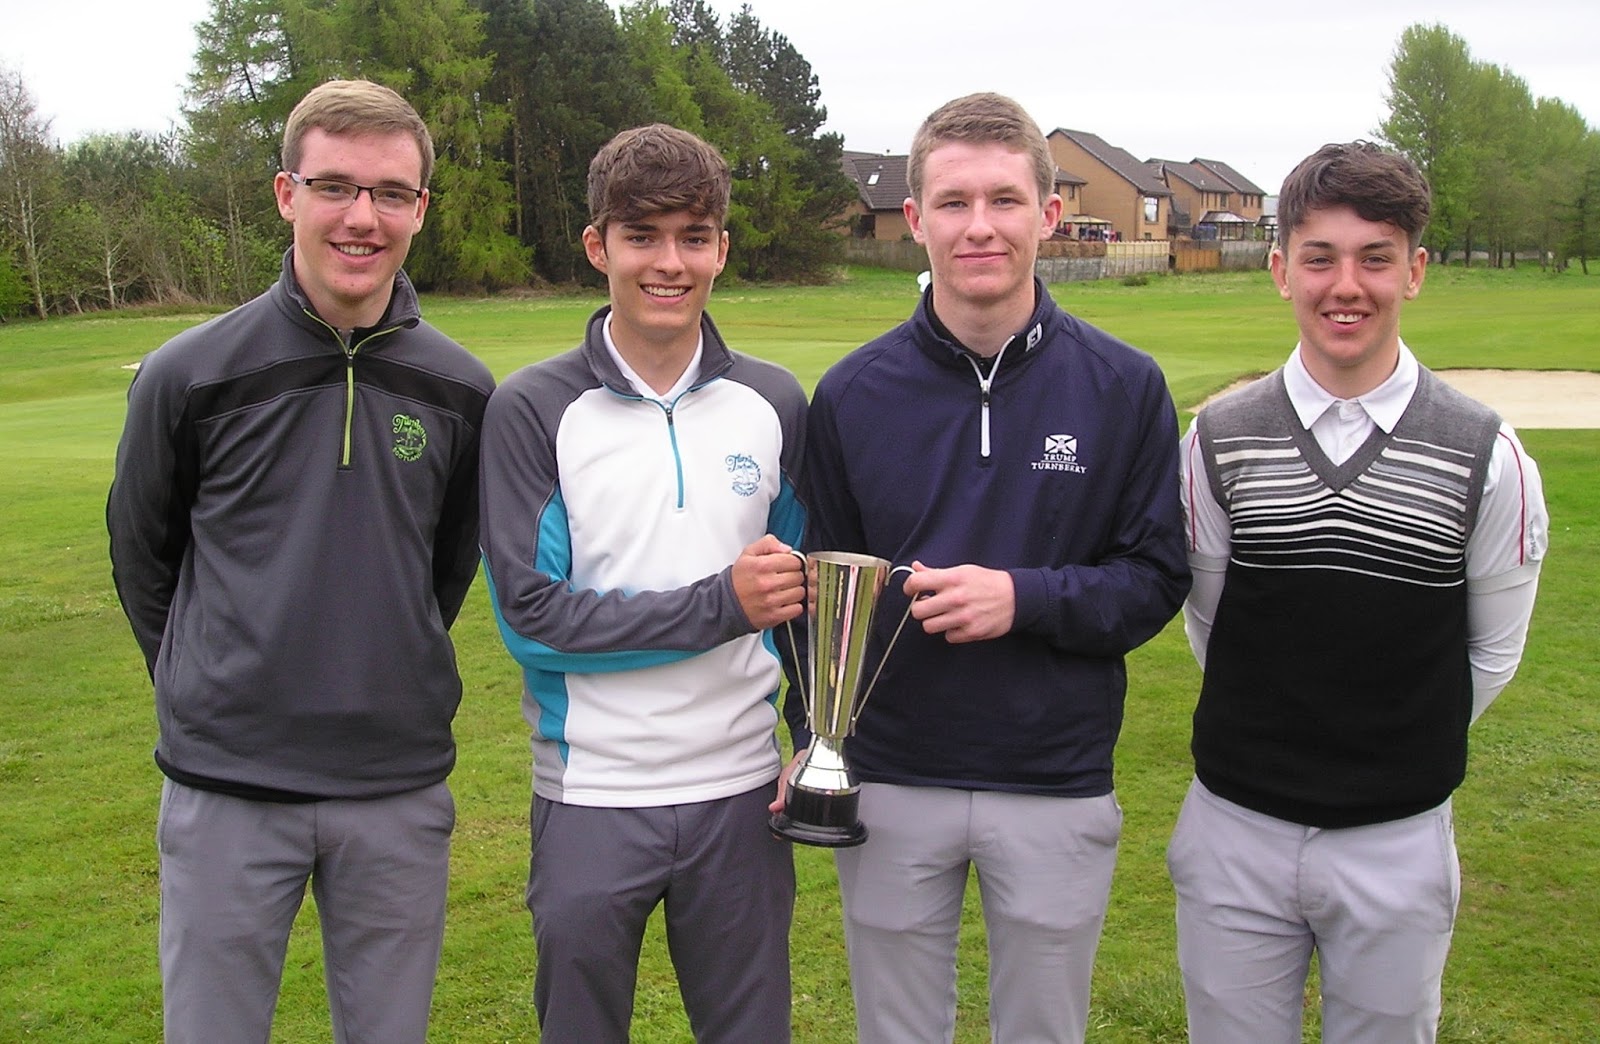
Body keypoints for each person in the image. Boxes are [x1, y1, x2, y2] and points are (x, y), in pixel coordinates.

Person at [784, 92, 1191, 1043]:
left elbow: (1155, 578)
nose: (980, 227)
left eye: (1004, 201)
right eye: (954, 202)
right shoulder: (849, 393)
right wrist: (811, 733)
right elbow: (816, 595)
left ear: (1048, 216)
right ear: (916, 218)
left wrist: (1025, 599)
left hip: (1053, 777)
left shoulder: (1125, 387)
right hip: (888, 779)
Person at [106, 80, 494, 1043]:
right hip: (226, 786)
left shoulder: (461, 388)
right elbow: (143, 554)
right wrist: (210, 673)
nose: (362, 217)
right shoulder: (188, 373)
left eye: (390, 193)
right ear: (288, 195)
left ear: (419, 211)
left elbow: (443, 568)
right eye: (335, 186)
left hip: (396, 790)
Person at [1168, 141, 1549, 1043]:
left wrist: (1384, 746)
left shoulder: (1486, 454)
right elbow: (1210, 619)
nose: (1348, 285)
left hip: (1399, 838)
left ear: (1414, 271)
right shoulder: (1219, 437)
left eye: (1375, 258)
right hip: (1235, 830)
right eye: (1321, 257)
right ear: (1280, 270)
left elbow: (1492, 651)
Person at [478, 123, 807, 1043]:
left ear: (723, 249)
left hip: (742, 797)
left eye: (694, 236)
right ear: (598, 247)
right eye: (643, 236)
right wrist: (717, 605)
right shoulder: (533, 409)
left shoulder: (774, 402)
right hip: (590, 797)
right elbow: (530, 619)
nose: (670, 263)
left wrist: (814, 737)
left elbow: (798, 606)